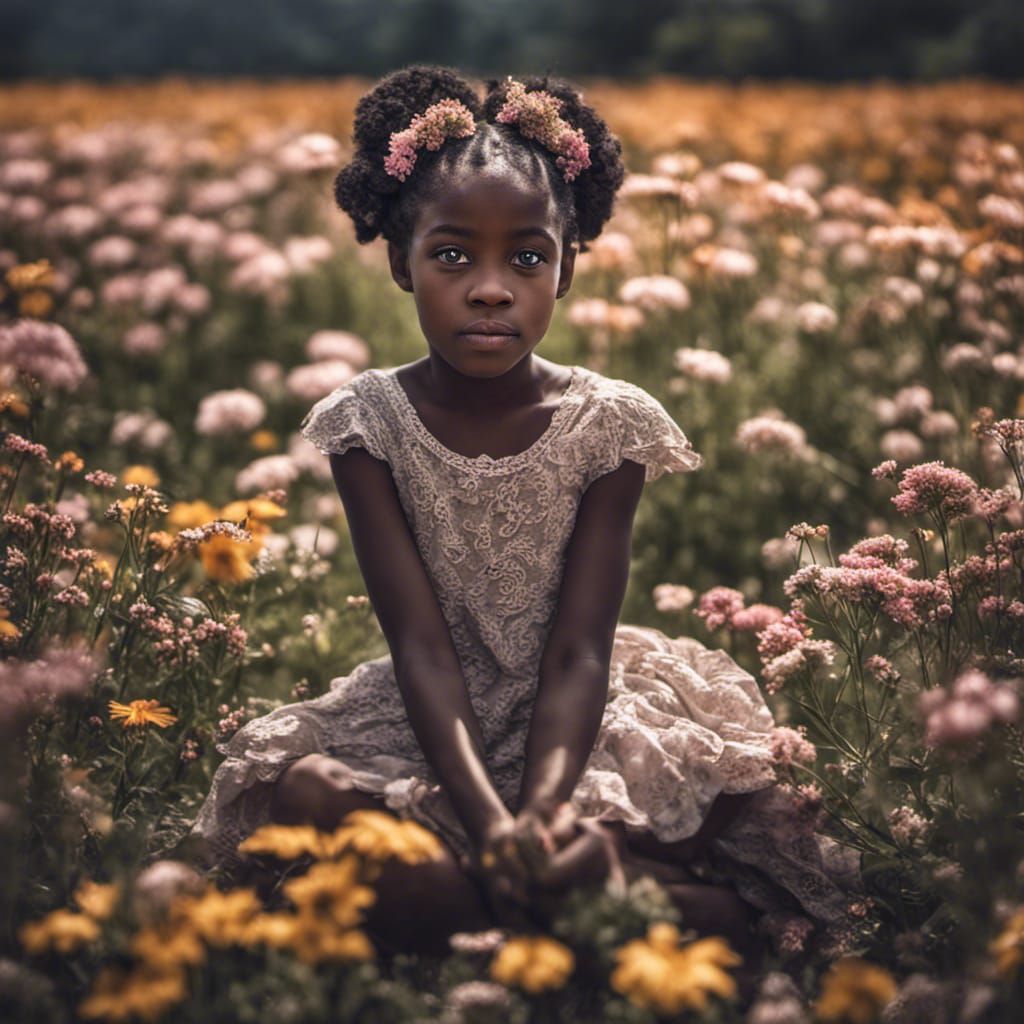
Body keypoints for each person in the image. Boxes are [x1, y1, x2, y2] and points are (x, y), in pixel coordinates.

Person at [189, 65, 862, 968]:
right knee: (308, 789)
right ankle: (599, 908)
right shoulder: (367, 423)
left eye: (528, 258)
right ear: (401, 262)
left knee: (707, 793)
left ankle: (491, 907)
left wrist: (540, 812)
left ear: (568, 267)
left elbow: (581, 649)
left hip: (575, 718)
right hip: (434, 715)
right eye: (453, 255)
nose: (491, 288)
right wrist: (488, 821)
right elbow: (421, 646)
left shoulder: (609, 424)